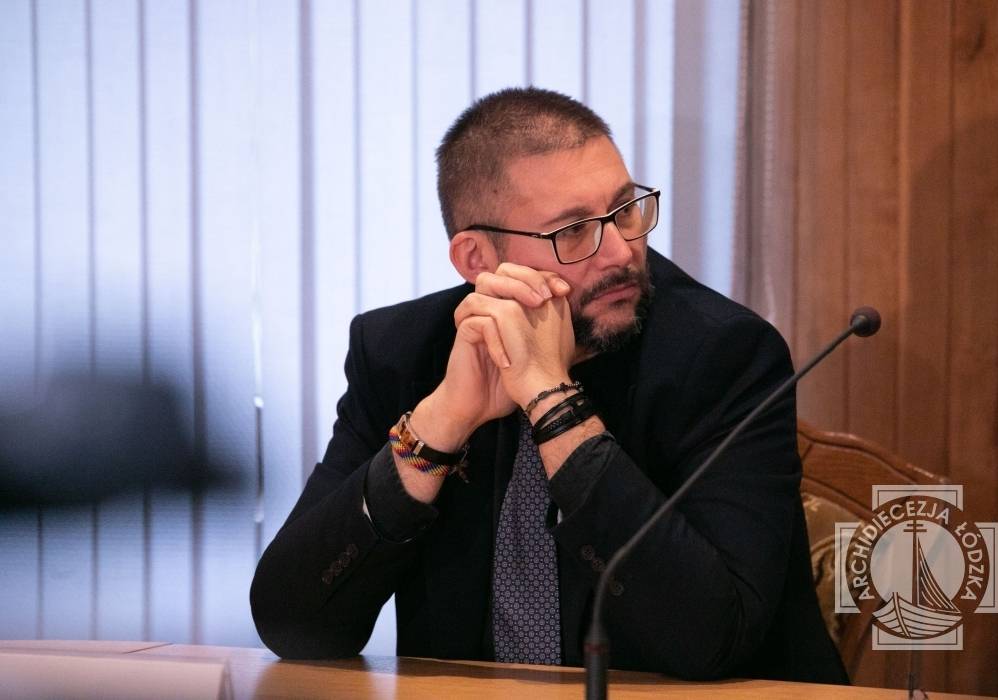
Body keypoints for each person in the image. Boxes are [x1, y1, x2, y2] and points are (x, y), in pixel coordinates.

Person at [250, 87, 848, 684]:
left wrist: (551, 401)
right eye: (574, 231)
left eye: (625, 210)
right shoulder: (402, 354)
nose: (621, 251)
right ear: (477, 258)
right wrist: (440, 425)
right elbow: (295, 626)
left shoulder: (722, 356)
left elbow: (712, 640)